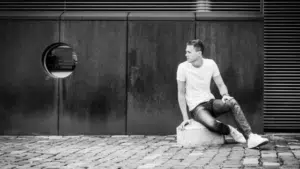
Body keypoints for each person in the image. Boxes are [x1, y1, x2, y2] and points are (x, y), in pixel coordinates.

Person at [176, 39, 269, 149]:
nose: (186, 54)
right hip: (196, 108)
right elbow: (181, 94)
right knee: (213, 124)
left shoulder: (210, 64)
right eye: (186, 51)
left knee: (231, 102)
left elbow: (220, 84)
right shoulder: (183, 67)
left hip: (211, 102)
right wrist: (185, 118)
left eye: (189, 52)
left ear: (199, 53)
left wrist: (225, 95)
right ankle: (231, 130)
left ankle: (250, 137)